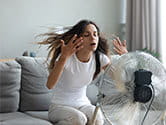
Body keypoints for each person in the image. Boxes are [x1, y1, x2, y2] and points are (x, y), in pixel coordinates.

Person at [39, 19, 127, 125]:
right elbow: (50, 85)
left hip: (83, 104)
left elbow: (119, 80)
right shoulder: (66, 57)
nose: (93, 38)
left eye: (95, 34)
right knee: (79, 119)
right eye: (87, 35)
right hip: (59, 107)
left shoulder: (100, 58)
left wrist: (125, 59)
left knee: (98, 118)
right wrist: (63, 57)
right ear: (78, 39)